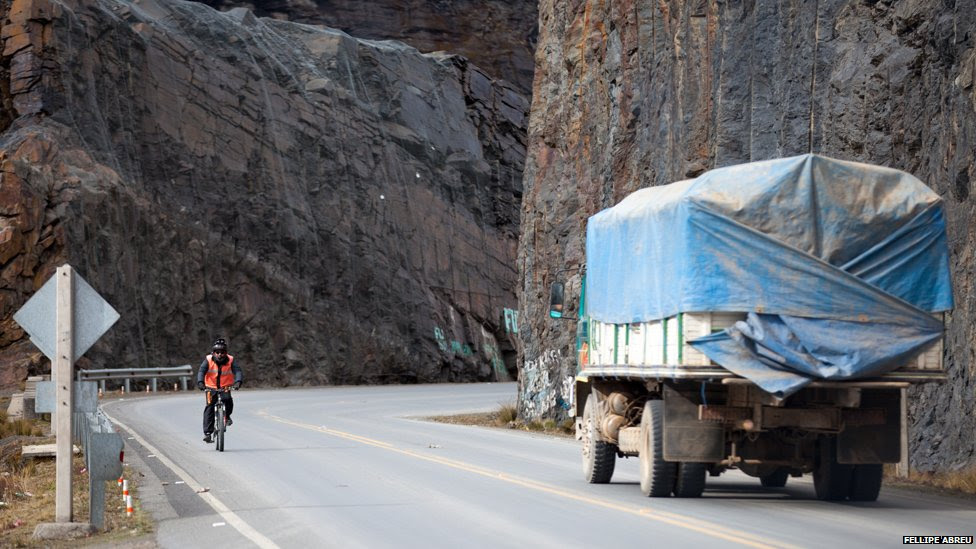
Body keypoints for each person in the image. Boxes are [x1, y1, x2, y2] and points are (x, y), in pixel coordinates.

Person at [197, 338, 243, 443]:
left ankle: (227, 416)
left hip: (225, 387)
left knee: (228, 400)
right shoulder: (208, 360)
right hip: (210, 387)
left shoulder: (231, 360)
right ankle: (208, 433)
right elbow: (201, 372)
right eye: (217, 352)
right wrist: (200, 383)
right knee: (209, 407)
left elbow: (238, 371)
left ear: (226, 353)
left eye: (222, 352)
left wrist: (238, 382)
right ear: (213, 352)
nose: (219, 354)